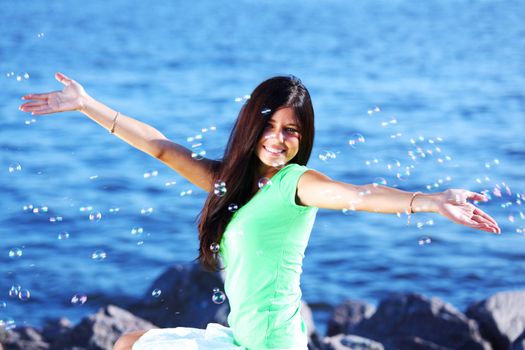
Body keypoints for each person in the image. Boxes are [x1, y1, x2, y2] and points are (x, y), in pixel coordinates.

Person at [19, 73, 501, 350]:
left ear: (303, 137)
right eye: (270, 125)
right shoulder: (235, 183)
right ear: (252, 125)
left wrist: (431, 202)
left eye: (291, 130)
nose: (278, 138)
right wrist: (87, 105)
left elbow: (359, 194)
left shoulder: (297, 183)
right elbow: (163, 149)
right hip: (239, 338)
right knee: (127, 343)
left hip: (271, 346)